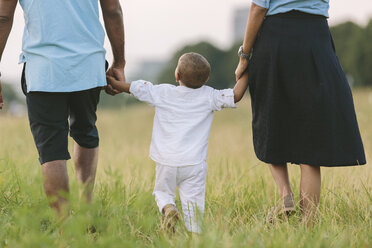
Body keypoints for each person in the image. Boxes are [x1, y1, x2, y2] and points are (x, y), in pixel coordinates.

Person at [235, 1, 366, 222]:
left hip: (275, 38)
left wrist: (244, 55)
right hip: (315, 37)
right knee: (310, 141)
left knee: (271, 122)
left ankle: (286, 195)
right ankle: (309, 226)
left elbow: (258, 8)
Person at [0, 0, 125, 216]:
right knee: (85, 132)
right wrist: (119, 62)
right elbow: (112, 10)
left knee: (52, 151)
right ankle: (86, 210)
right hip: (88, 64)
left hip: (43, 69)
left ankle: (65, 230)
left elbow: (2, 16)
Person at [106, 52, 249, 233]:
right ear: (206, 79)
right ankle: (195, 236)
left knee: (162, 193)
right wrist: (247, 69)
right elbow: (236, 95)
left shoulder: (163, 92)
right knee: (194, 205)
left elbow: (134, 88)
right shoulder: (210, 95)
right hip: (194, 164)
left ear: (177, 75)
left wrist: (111, 82)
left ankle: (168, 208)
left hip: (166, 161)